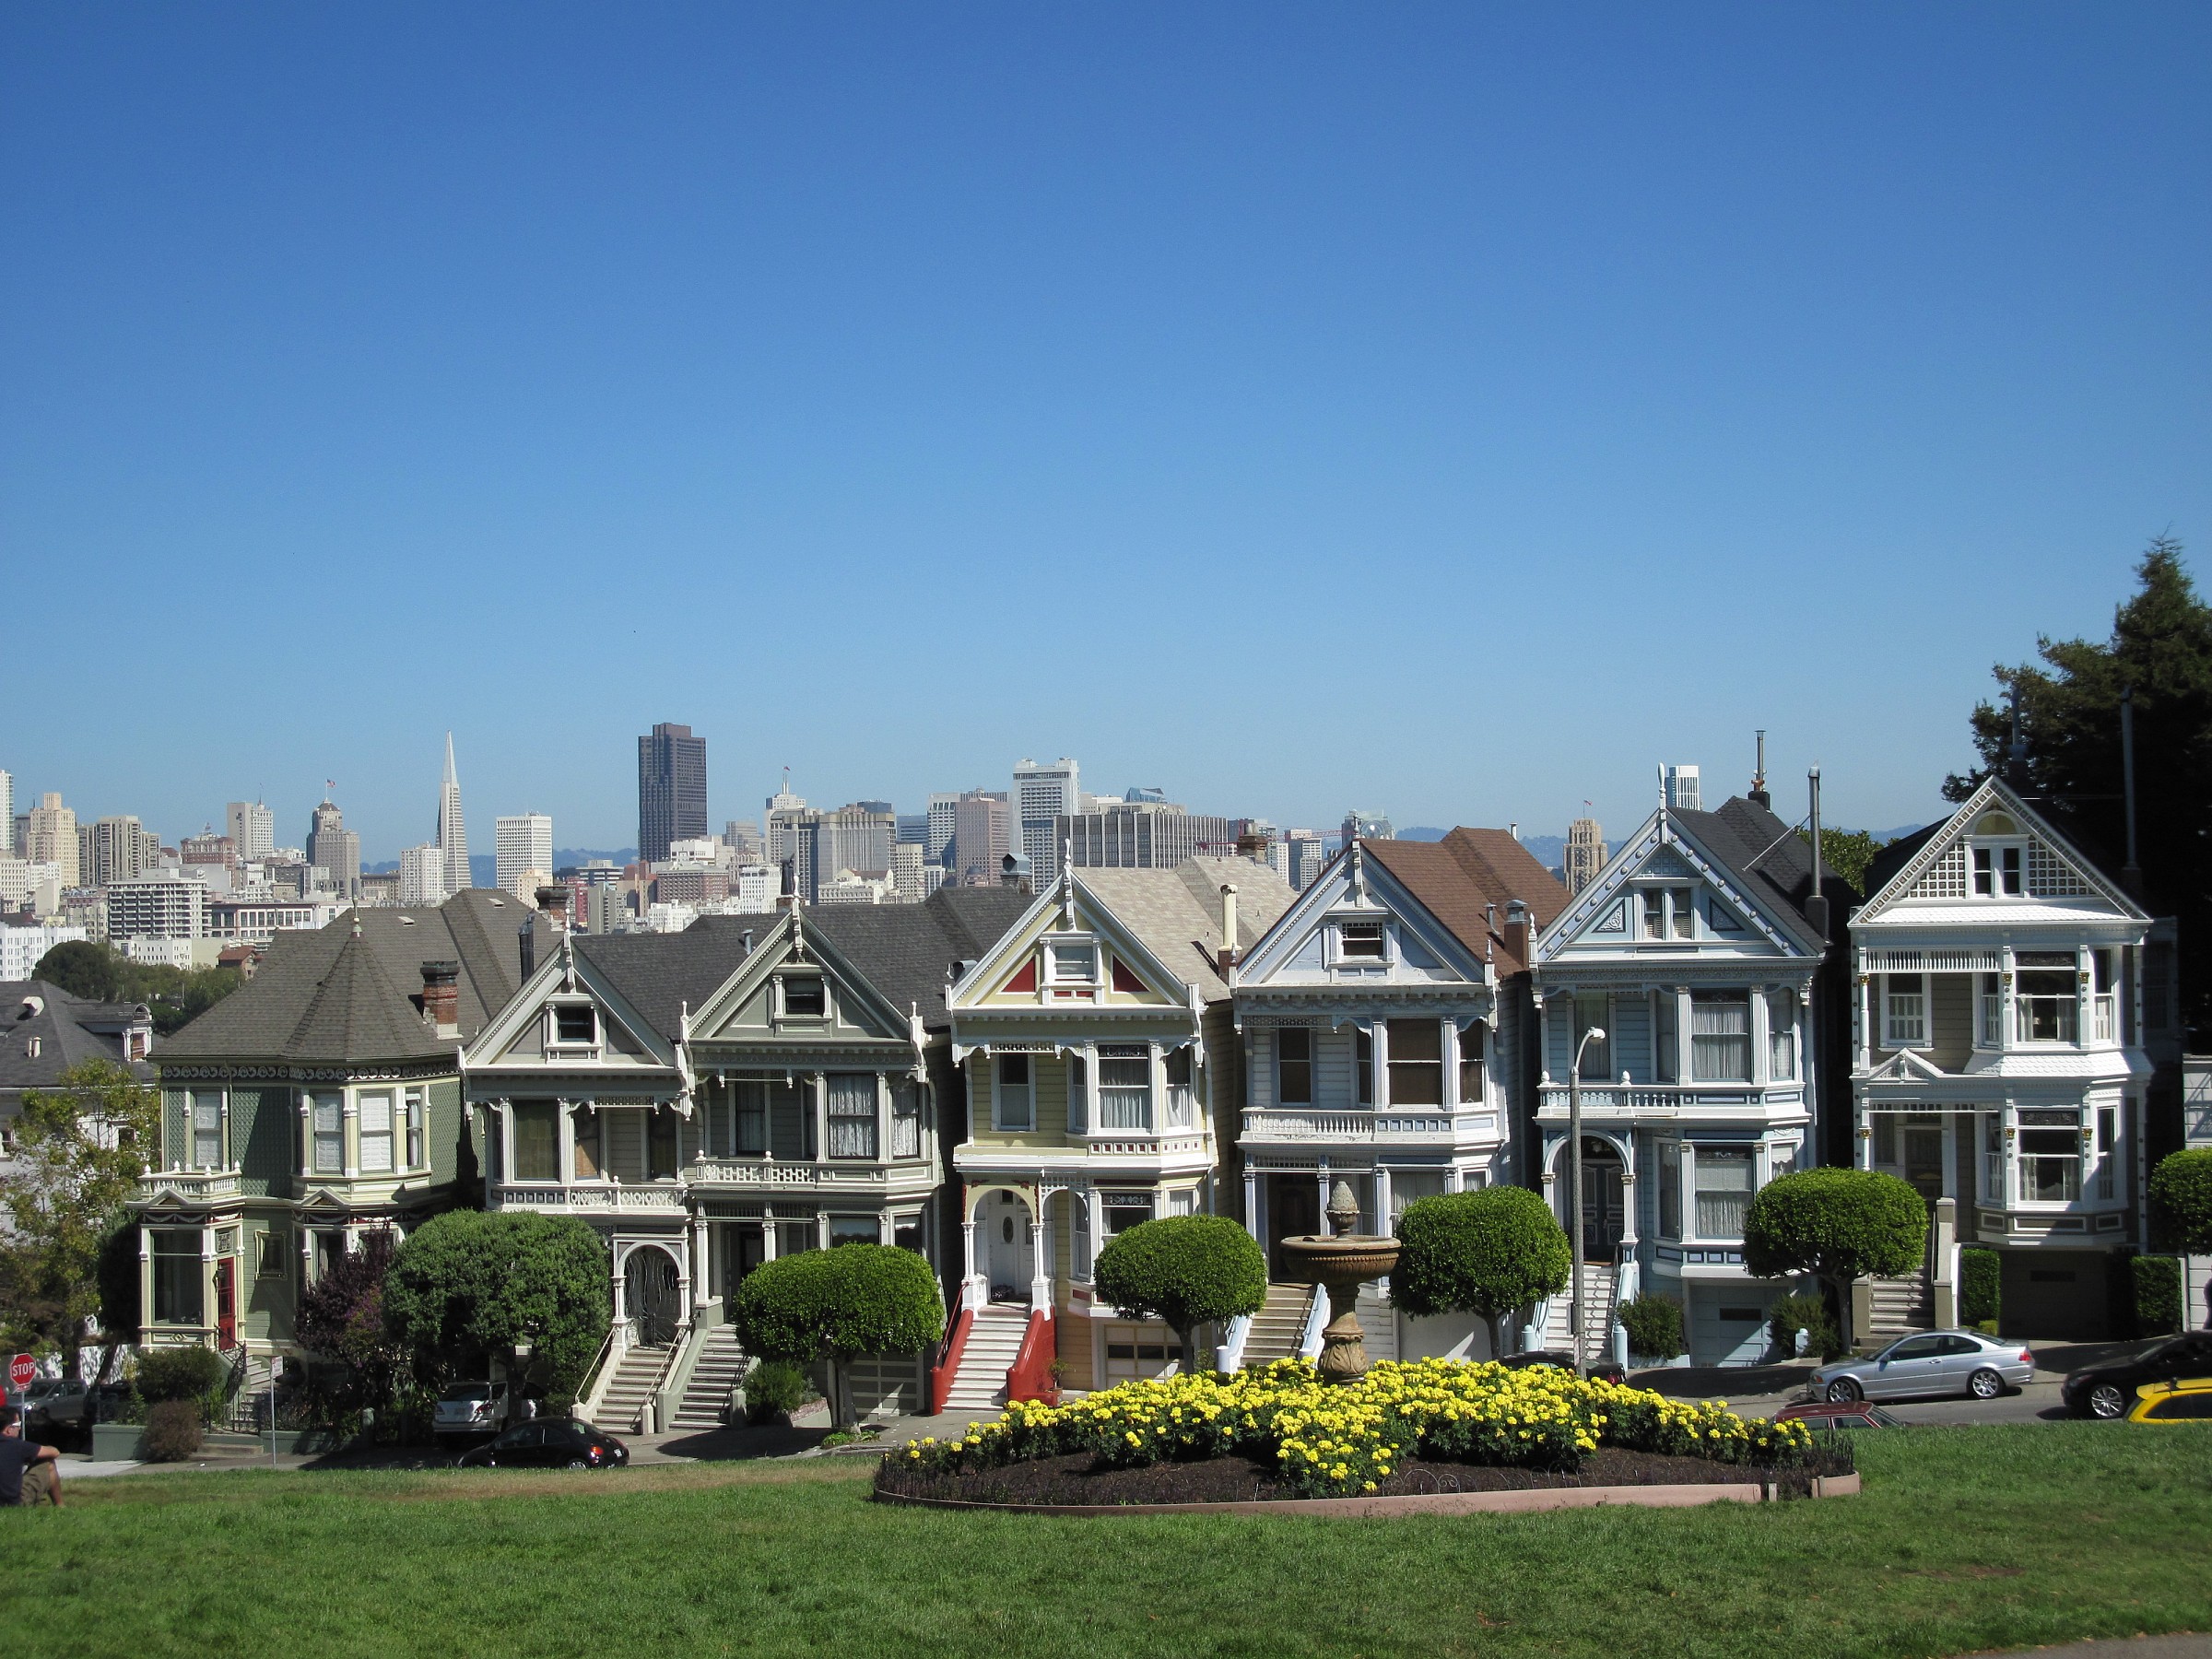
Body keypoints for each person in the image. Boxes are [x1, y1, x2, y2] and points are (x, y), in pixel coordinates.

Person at [0, 1406, 61, 1508]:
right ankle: (60, 1506)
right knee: (48, 1463)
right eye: (18, 1425)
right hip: (13, 1503)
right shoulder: (17, 1446)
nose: (20, 1428)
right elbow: (54, 1453)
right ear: (9, 1429)